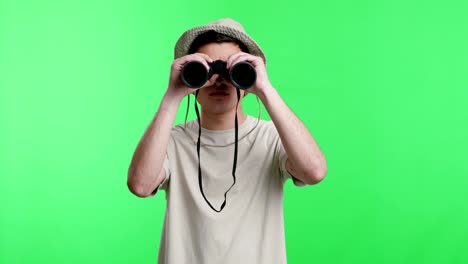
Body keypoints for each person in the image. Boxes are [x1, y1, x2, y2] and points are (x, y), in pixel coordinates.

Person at [127, 18, 328, 264]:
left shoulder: (271, 137)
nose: (219, 80)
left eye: (232, 71)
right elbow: (140, 185)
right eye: (207, 70)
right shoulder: (171, 141)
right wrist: (173, 95)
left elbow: (315, 171)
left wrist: (265, 89)